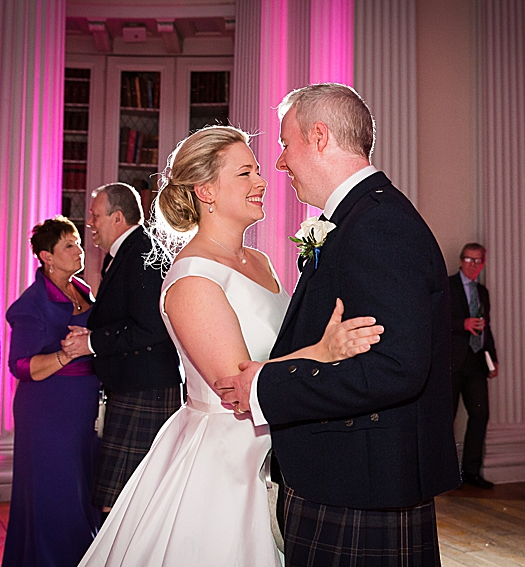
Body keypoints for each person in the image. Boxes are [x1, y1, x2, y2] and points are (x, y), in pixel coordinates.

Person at [77, 125, 382, 566]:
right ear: (206, 190)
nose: (261, 181)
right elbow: (236, 384)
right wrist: (324, 351)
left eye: (257, 170)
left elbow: (280, 351)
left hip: (278, 442)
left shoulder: (258, 261)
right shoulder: (193, 279)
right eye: (245, 173)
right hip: (223, 460)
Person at [216, 83, 460, 566]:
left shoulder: (378, 226)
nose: (281, 163)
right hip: (352, 477)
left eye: (286, 143)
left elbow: (395, 368)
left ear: (320, 137)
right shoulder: (360, 218)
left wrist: (266, 388)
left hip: (362, 486)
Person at [60, 182, 183, 518]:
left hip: (145, 388)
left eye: (96, 216)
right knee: (121, 501)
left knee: (126, 503)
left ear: (117, 217)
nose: (91, 225)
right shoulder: (126, 253)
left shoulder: (142, 252)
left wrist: (91, 342)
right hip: (135, 386)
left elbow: (151, 328)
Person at [3, 216, 100, 567]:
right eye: (69, 246)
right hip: (47, 411)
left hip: (84, 406)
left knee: (83, 488)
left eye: (78, 243)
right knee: (57, 494)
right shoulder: (31, 305)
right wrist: (65, 354)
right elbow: (21, 366)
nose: (79, 251)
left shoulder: (83, 289)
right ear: (47, 256)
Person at [450, 242, 499, 490]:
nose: (473, 265)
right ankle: (445, 474)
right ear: (461, 261)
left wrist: (493, 357)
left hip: (477, 362)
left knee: (480, 415)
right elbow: (437, 321)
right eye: (469, 260)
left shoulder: (483, 292)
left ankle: (471, 471)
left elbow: (486, 328)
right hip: (452, 362)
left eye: (478, 261)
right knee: (446, 417)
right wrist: (463, 324)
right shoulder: (448, 286)